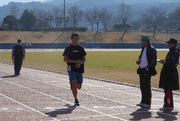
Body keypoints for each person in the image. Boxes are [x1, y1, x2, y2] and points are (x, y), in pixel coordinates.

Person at [63, 33, 87, 106]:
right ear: (71, 39)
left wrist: (80, 63)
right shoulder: (68, 48)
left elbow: (84, 59)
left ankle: (73, 85)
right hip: (71, 69)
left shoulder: (81, 48)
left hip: (79, 69)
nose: (76, 40)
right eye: (74, 38)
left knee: (79, 87)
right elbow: (65, 59)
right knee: (74, 82)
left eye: (77, 39)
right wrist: (75, 61)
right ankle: (76, 99)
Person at [136, 35, 157, 109]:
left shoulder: (152, 49)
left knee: (147, 86)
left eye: (142, 41)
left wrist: (148, 67)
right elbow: (142, 57)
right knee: (142, 86)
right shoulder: (143, 48)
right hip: (141, 69)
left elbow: (154, 61)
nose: (141, 42)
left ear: (146, 41)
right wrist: (139, 61)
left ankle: (147, 103)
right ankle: (143, 101)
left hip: (147, 70)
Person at [158, 38, 179, 111]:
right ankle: (167, 103)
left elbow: (172, 64)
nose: (168, 45)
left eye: (169, 43)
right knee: (166, 89)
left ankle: (168, 104)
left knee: (168, 89)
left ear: (173, 44)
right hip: (167, 72)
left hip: (170, 73)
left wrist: (164, 62)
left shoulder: (175, 52)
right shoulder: (171, 52)